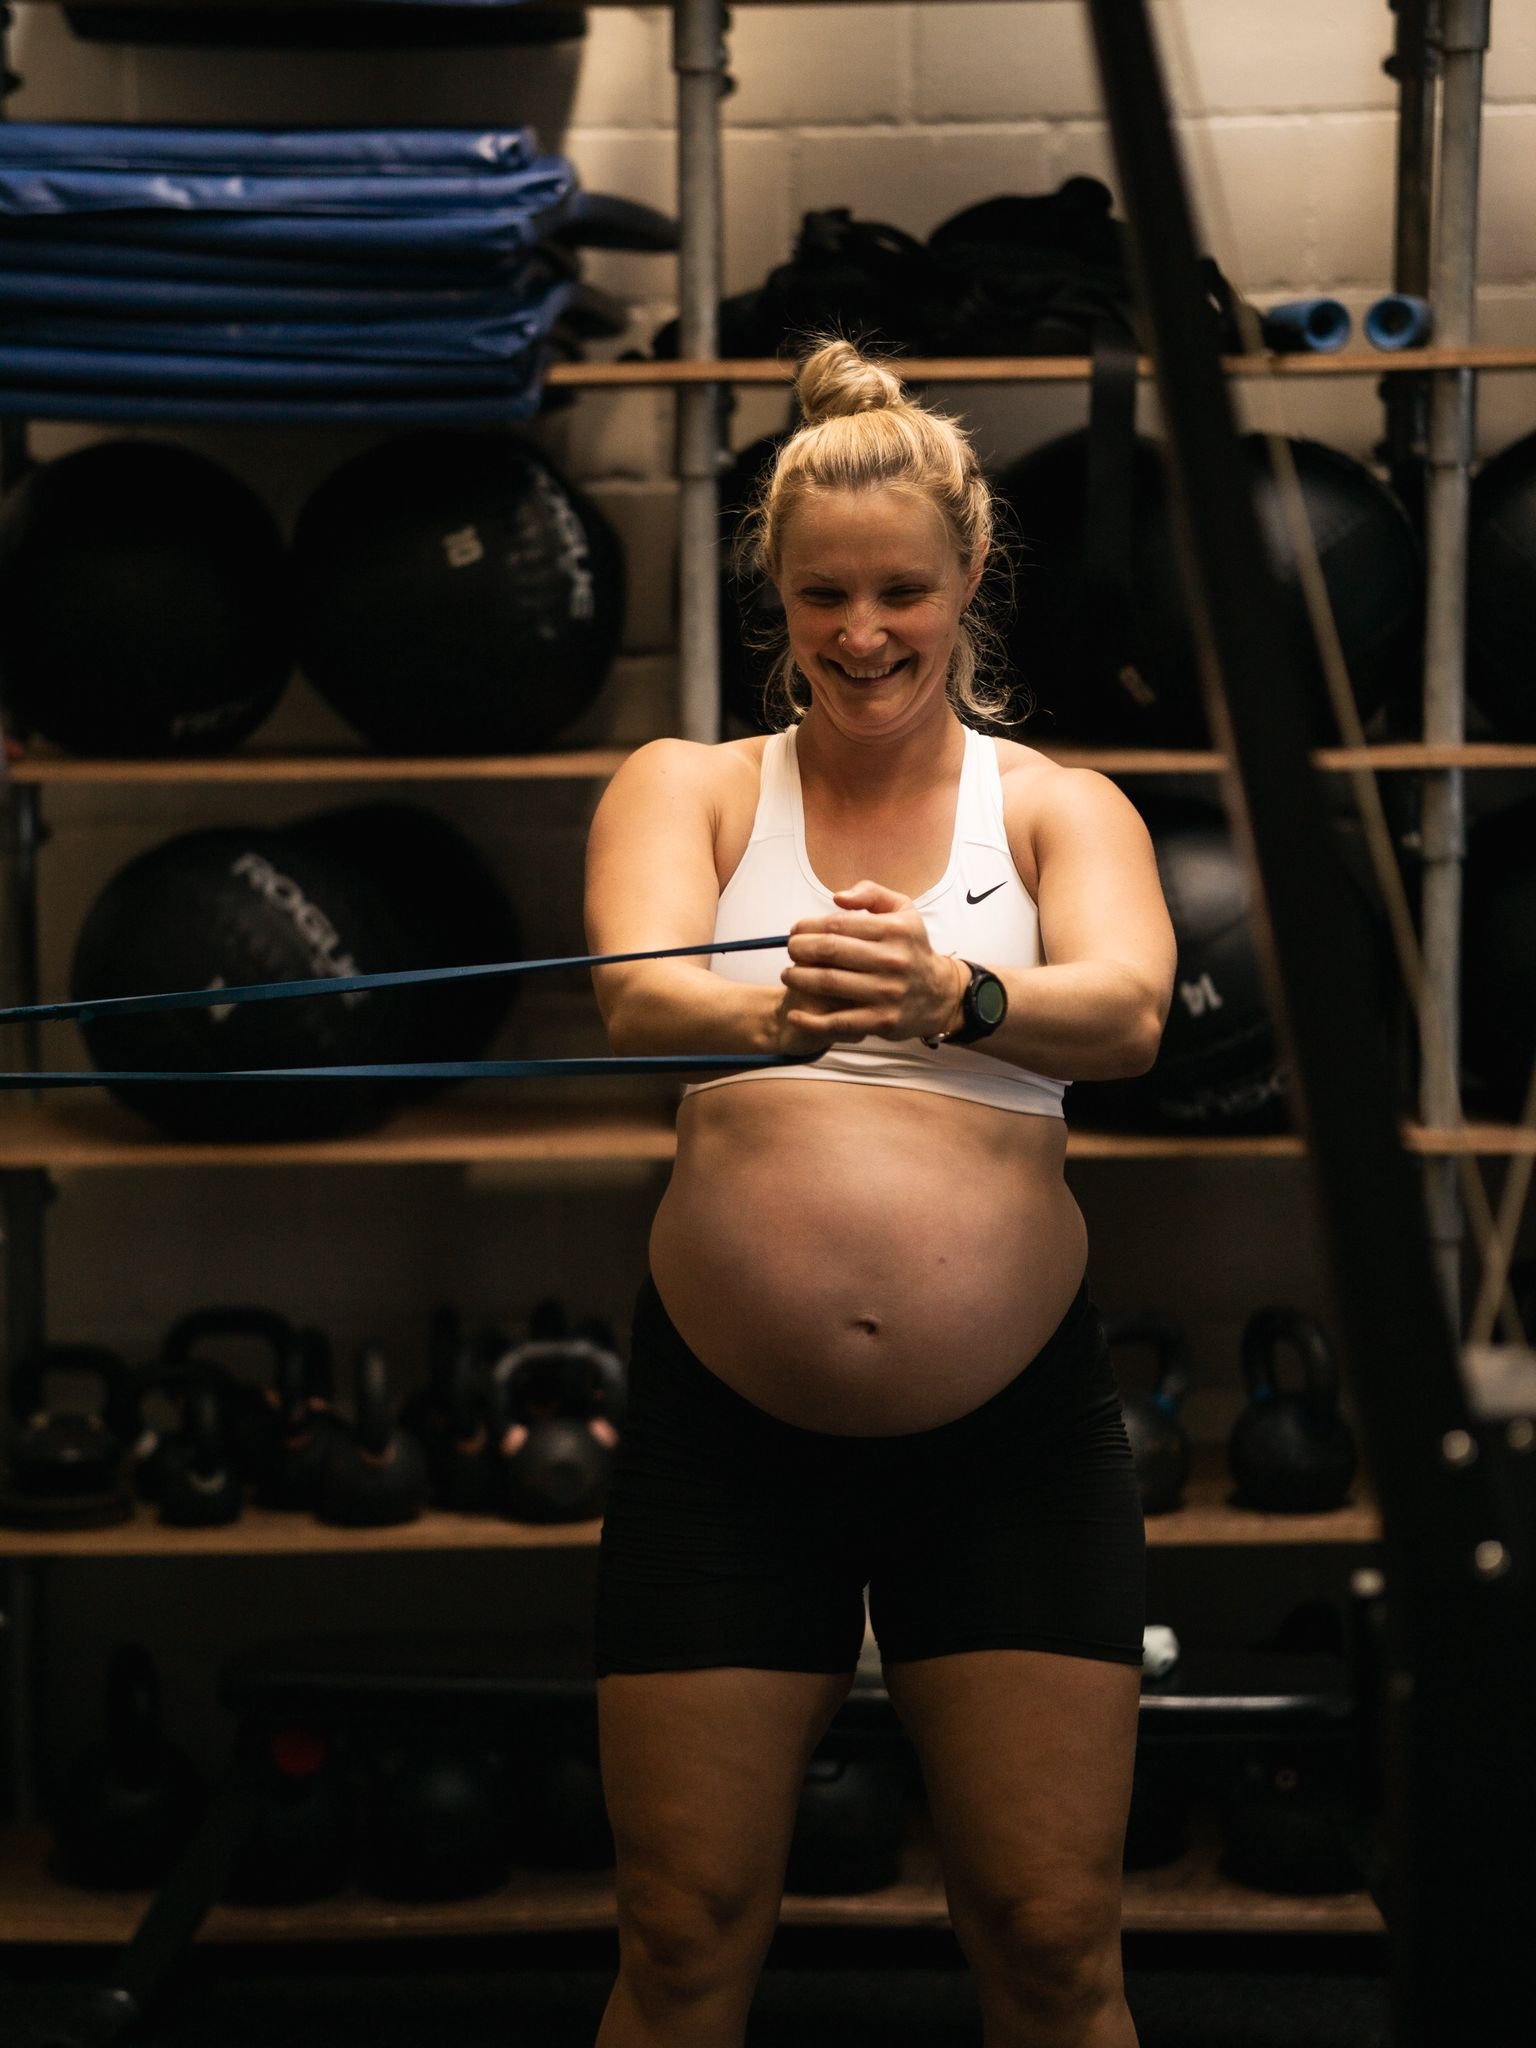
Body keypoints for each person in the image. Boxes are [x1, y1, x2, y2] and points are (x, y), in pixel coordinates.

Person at [582, 337, 1177, 2048]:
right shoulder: (691, 786)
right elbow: (635, 994)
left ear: (970, 575)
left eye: (902, 591)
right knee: (681, 1934)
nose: (863, 633)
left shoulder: (1058, 808)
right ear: (775, 587)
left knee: (1054, 1936)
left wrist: (955, 997)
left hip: (1011, 1449)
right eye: (824, 593)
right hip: (727, 1443)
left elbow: (1129, 1010)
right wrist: (787, 1002)